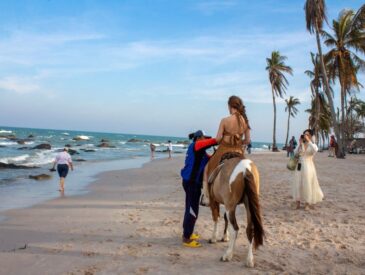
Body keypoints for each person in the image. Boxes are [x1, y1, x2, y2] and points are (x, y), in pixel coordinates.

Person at [202, 95, 251, 205]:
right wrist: (239, 141)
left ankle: (206, 197)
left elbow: (218, 138)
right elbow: (247, 140)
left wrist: (223, 140)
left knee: (206, 169)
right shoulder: (245, 122)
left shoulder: (225, 120)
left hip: (223, 150)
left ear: (230, 106)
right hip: (239, 152)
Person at [181, 130, 217, 247]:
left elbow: (211, 158)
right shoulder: (196, 145)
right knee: (192, 211)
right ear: (198, 138)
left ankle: (188, 233)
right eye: (204, 138)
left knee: (190, 208)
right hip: (191, 183)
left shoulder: (201, 152)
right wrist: (221, 138)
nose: (205, 140)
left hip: (191, 183)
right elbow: (214, 141)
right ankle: (187, 239)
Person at [292, 129, 323, 210]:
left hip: (308, 166)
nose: (305, 136)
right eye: (304, 134)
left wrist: (309, 141)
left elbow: (315, 150)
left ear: (311, 136)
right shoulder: (301, 144)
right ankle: (297, 202)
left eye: (307, 134)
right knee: (298, 184)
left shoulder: (312, 145)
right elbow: (295, 153)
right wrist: (299, 144)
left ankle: (307, 203)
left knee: (307, 184)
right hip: (299, 166)